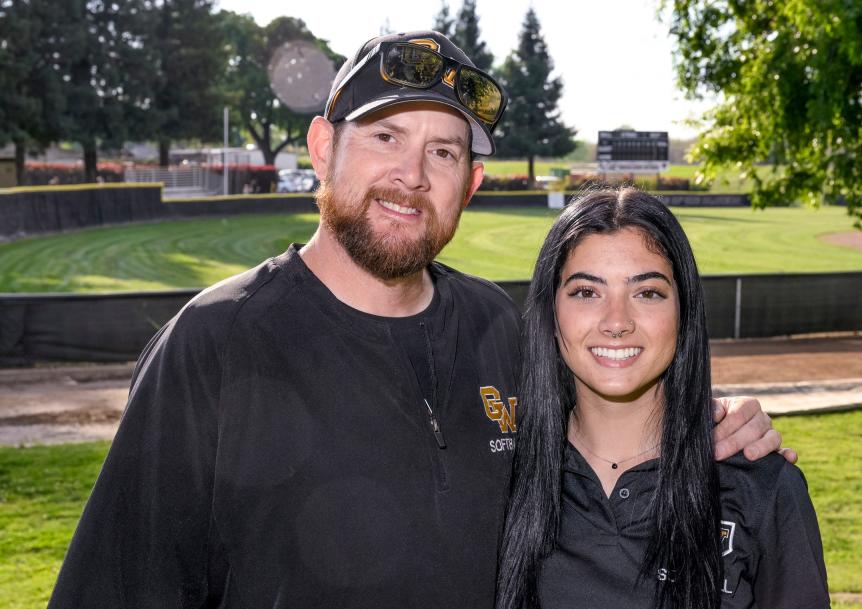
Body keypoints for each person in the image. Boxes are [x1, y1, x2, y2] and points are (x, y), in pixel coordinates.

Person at [48, 32, 786, 608]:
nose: (412, 175)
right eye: (385, 137)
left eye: (442, 151)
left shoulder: (501, 330)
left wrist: (719, 424)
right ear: (323, 147)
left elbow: (615, 417)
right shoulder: (215, 344)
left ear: (468, 184)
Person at [496, 188, 829, 609]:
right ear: (550, 309)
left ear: (684, 311)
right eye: (586, 292)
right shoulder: (501, 475)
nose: (616, 322)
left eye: (647, 293)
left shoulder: (760, 487)